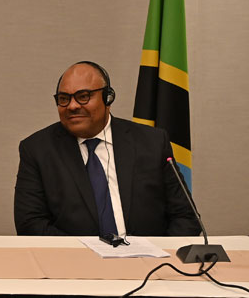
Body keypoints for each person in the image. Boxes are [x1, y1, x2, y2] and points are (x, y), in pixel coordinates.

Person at [13, 61, 200, 236]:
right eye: (64, 99)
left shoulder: (152, 143)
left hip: (149, 257)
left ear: (108, 98)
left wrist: (160, 252)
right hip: (75, 258)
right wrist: (83, 253)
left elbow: (186, 217)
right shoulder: (37, 150)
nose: (72, 106)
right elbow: (30, 224)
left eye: (83, 96)